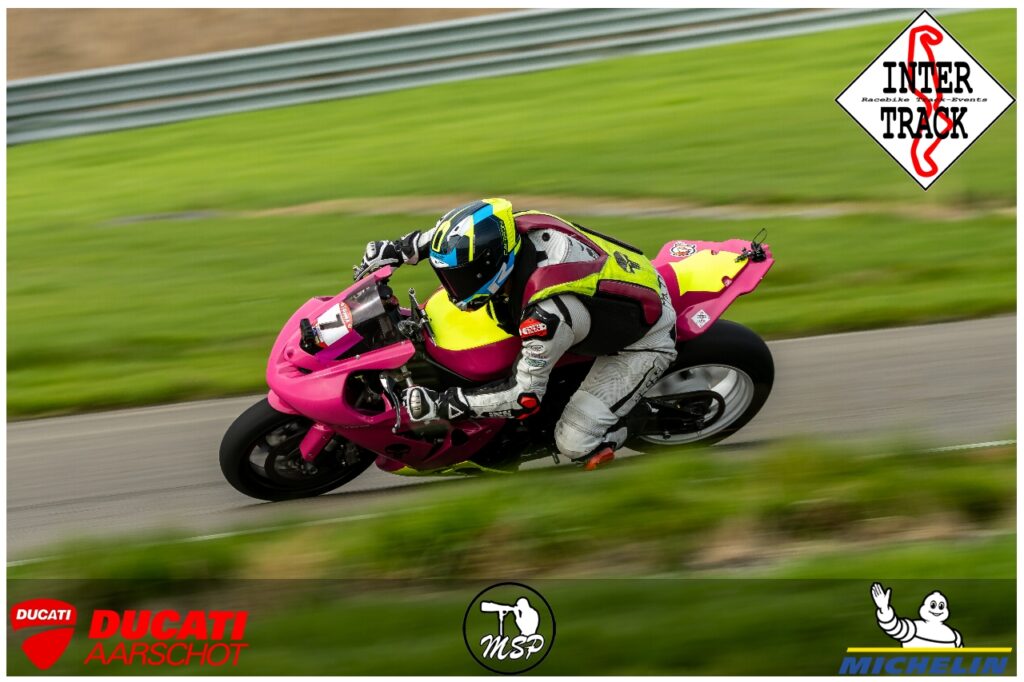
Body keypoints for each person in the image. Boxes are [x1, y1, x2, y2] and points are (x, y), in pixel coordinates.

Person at [354, 198, 677, 469]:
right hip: (610, 291)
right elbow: (453, 238)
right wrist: (398, 249)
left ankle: (635, 419)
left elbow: (523, 397)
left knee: (574, 442)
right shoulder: (508, 228)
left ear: (489, 266)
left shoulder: (545, 314)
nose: (453, 287)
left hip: (643, 338)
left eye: (461, 277)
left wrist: (443, 403)